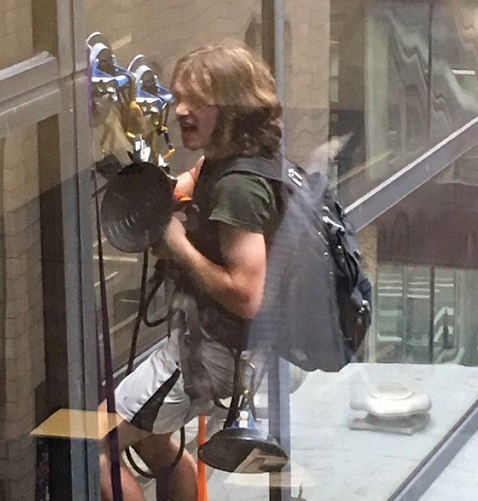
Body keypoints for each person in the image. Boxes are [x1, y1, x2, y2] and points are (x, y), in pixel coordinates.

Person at [99, 41, 283, 501]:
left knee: (94, 446)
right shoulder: (229, 161)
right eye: (178, 97)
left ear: (233, 110)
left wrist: (179, 245)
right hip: (208, 343)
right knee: (154, 439)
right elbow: (182, 187)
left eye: (196, 101)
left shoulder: (240, 189)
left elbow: (246, 295)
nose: (180, 110)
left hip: (210, 354)